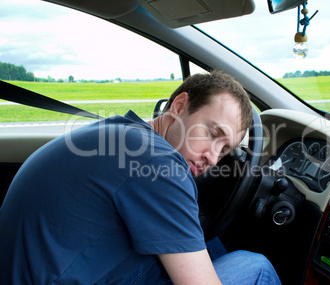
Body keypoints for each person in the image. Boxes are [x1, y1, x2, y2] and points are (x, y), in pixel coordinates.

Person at [0, 71, 281, 284]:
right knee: (255, 267)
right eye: (211, 133)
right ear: (180, 105)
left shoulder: (122, 135)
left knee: (209, 246)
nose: (212, 157)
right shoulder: (158, 161)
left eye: (225, 150)